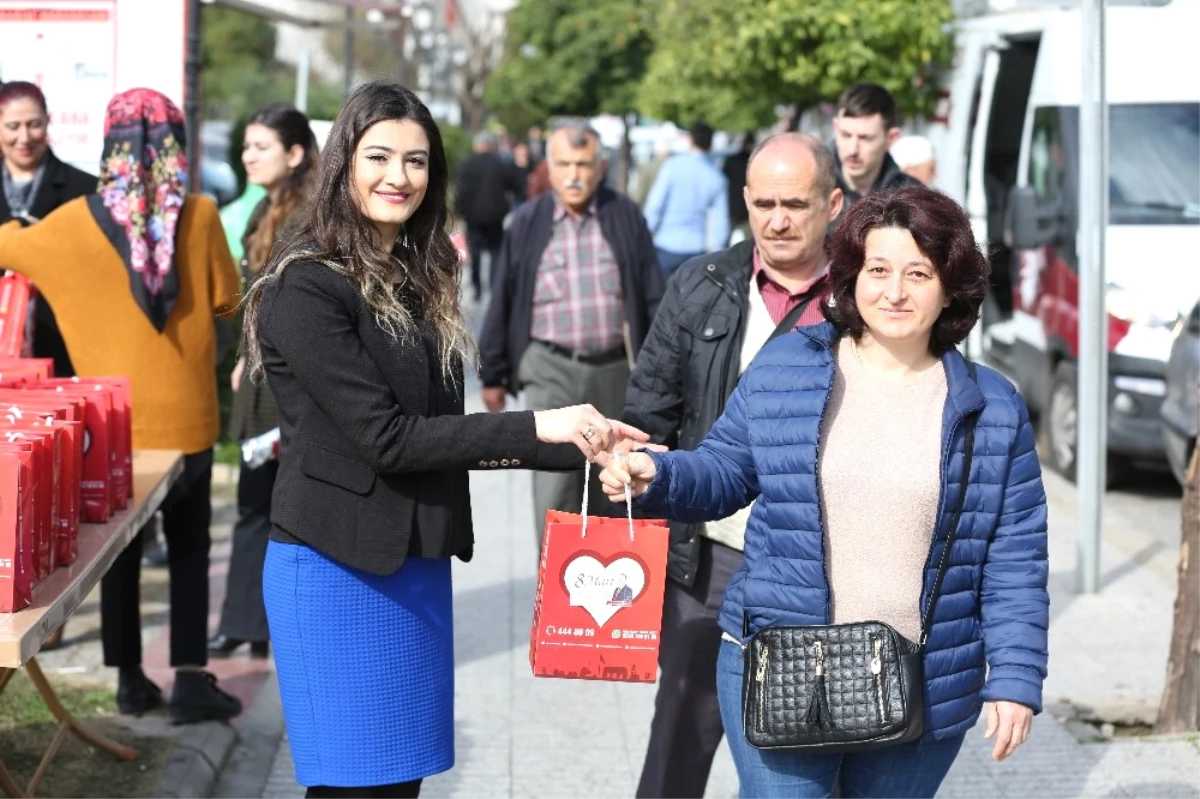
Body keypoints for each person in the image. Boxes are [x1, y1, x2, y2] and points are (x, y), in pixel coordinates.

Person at [240, 82, 647, 798]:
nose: (399, 176)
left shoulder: (418, 274)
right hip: (335, 567)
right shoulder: (305, 287)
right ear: (343, 163)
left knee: (400, 787)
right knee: (350, 789)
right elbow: (389, 440)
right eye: (380, 156)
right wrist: (539, 422)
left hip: (416, 563)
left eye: (417, 161)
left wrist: (585, 443)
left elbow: (443, 432)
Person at [602, 185, 1049, 799]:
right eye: (879, 269)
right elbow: (725, 471)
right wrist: (659, 475)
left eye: (918, 272)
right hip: (780, 662)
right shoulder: (789, 365)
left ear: (950, 286)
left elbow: (1014, 558)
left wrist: (1016, 678)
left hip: (923, 677)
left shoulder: (992, 405)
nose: (895, 292)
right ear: (851, 276)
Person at [0, 88, 245, 723]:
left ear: (108, 149)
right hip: (190, 421)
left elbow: (7, 248)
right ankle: (191, 680)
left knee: (122, 557)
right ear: (179, 149)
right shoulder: (201, 215)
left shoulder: (68, 226)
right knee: (190, 549)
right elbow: (226, 301)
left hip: (113, 429)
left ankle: (131, 680)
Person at [623, 133, 843, 799]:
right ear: (743, 201)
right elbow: (648, 412)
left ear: (832, 204)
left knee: (812, 746)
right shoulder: (702, 285)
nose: (778, 220)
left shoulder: (862, 298)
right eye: (764, 203)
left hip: (821, 567)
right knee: (680, 737)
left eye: (795, 204)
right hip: (710, 556)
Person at [479, 119, 663, 546]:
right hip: (548, 369)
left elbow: (652, 296)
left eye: (583, 164)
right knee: (557, 493)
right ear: (549, 166)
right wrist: (493, 374)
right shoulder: (528, 221)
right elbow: (503, 296)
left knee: (617, 484)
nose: (574, 175)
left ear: (600, 167)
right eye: (564, 164)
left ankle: (611, 596)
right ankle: (555, 600)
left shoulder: (624, 217)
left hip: (616, 369)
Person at [208, 104, 318, 661]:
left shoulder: (314, 220)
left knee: (292, 507)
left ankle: (279, 625)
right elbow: (250, 300)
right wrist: (241, 356)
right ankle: (244, 623)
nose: (248, 156)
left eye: (261, 147)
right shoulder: (261, 213)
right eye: (246, 146)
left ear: (295, 154)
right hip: (258, 379)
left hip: (298, 384)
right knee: (254, 501)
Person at [0, 81, 96, 377]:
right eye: (12, 126)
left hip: (61, 348)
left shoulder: (85, 190)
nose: (24, 137)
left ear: (48, 121)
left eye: (34, 125)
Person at [644, 122, 729, 280]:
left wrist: (646, 235)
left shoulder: (672, 166)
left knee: (661, 301)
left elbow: (655, 205)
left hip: (666, 245)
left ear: (690, 140)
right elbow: (720, 224)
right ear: (711, 145)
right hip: (696, 249)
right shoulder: (717, 178)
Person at [453, 131, 521, 301]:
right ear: (490, 146)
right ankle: (493, 286)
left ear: (477, 146)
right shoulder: (499, 164)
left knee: (475, 251)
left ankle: (477, 288)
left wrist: (458, 210)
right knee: (495, 251)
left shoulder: (467, 164)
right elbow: (514, 184)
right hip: (496, 215)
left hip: (473, 215)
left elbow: (461, 190)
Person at [832, 83, 920, 214]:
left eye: (865, 138)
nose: (852, 150)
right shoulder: (811, 185)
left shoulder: (911, 199)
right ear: (835, 127)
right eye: (846, 135)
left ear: (891, 138)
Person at [721, 133, 755, 238]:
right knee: (749, 238)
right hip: (747, 206)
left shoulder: (730, 161)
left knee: (727, 235)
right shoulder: (754, 163)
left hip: (732, 205)